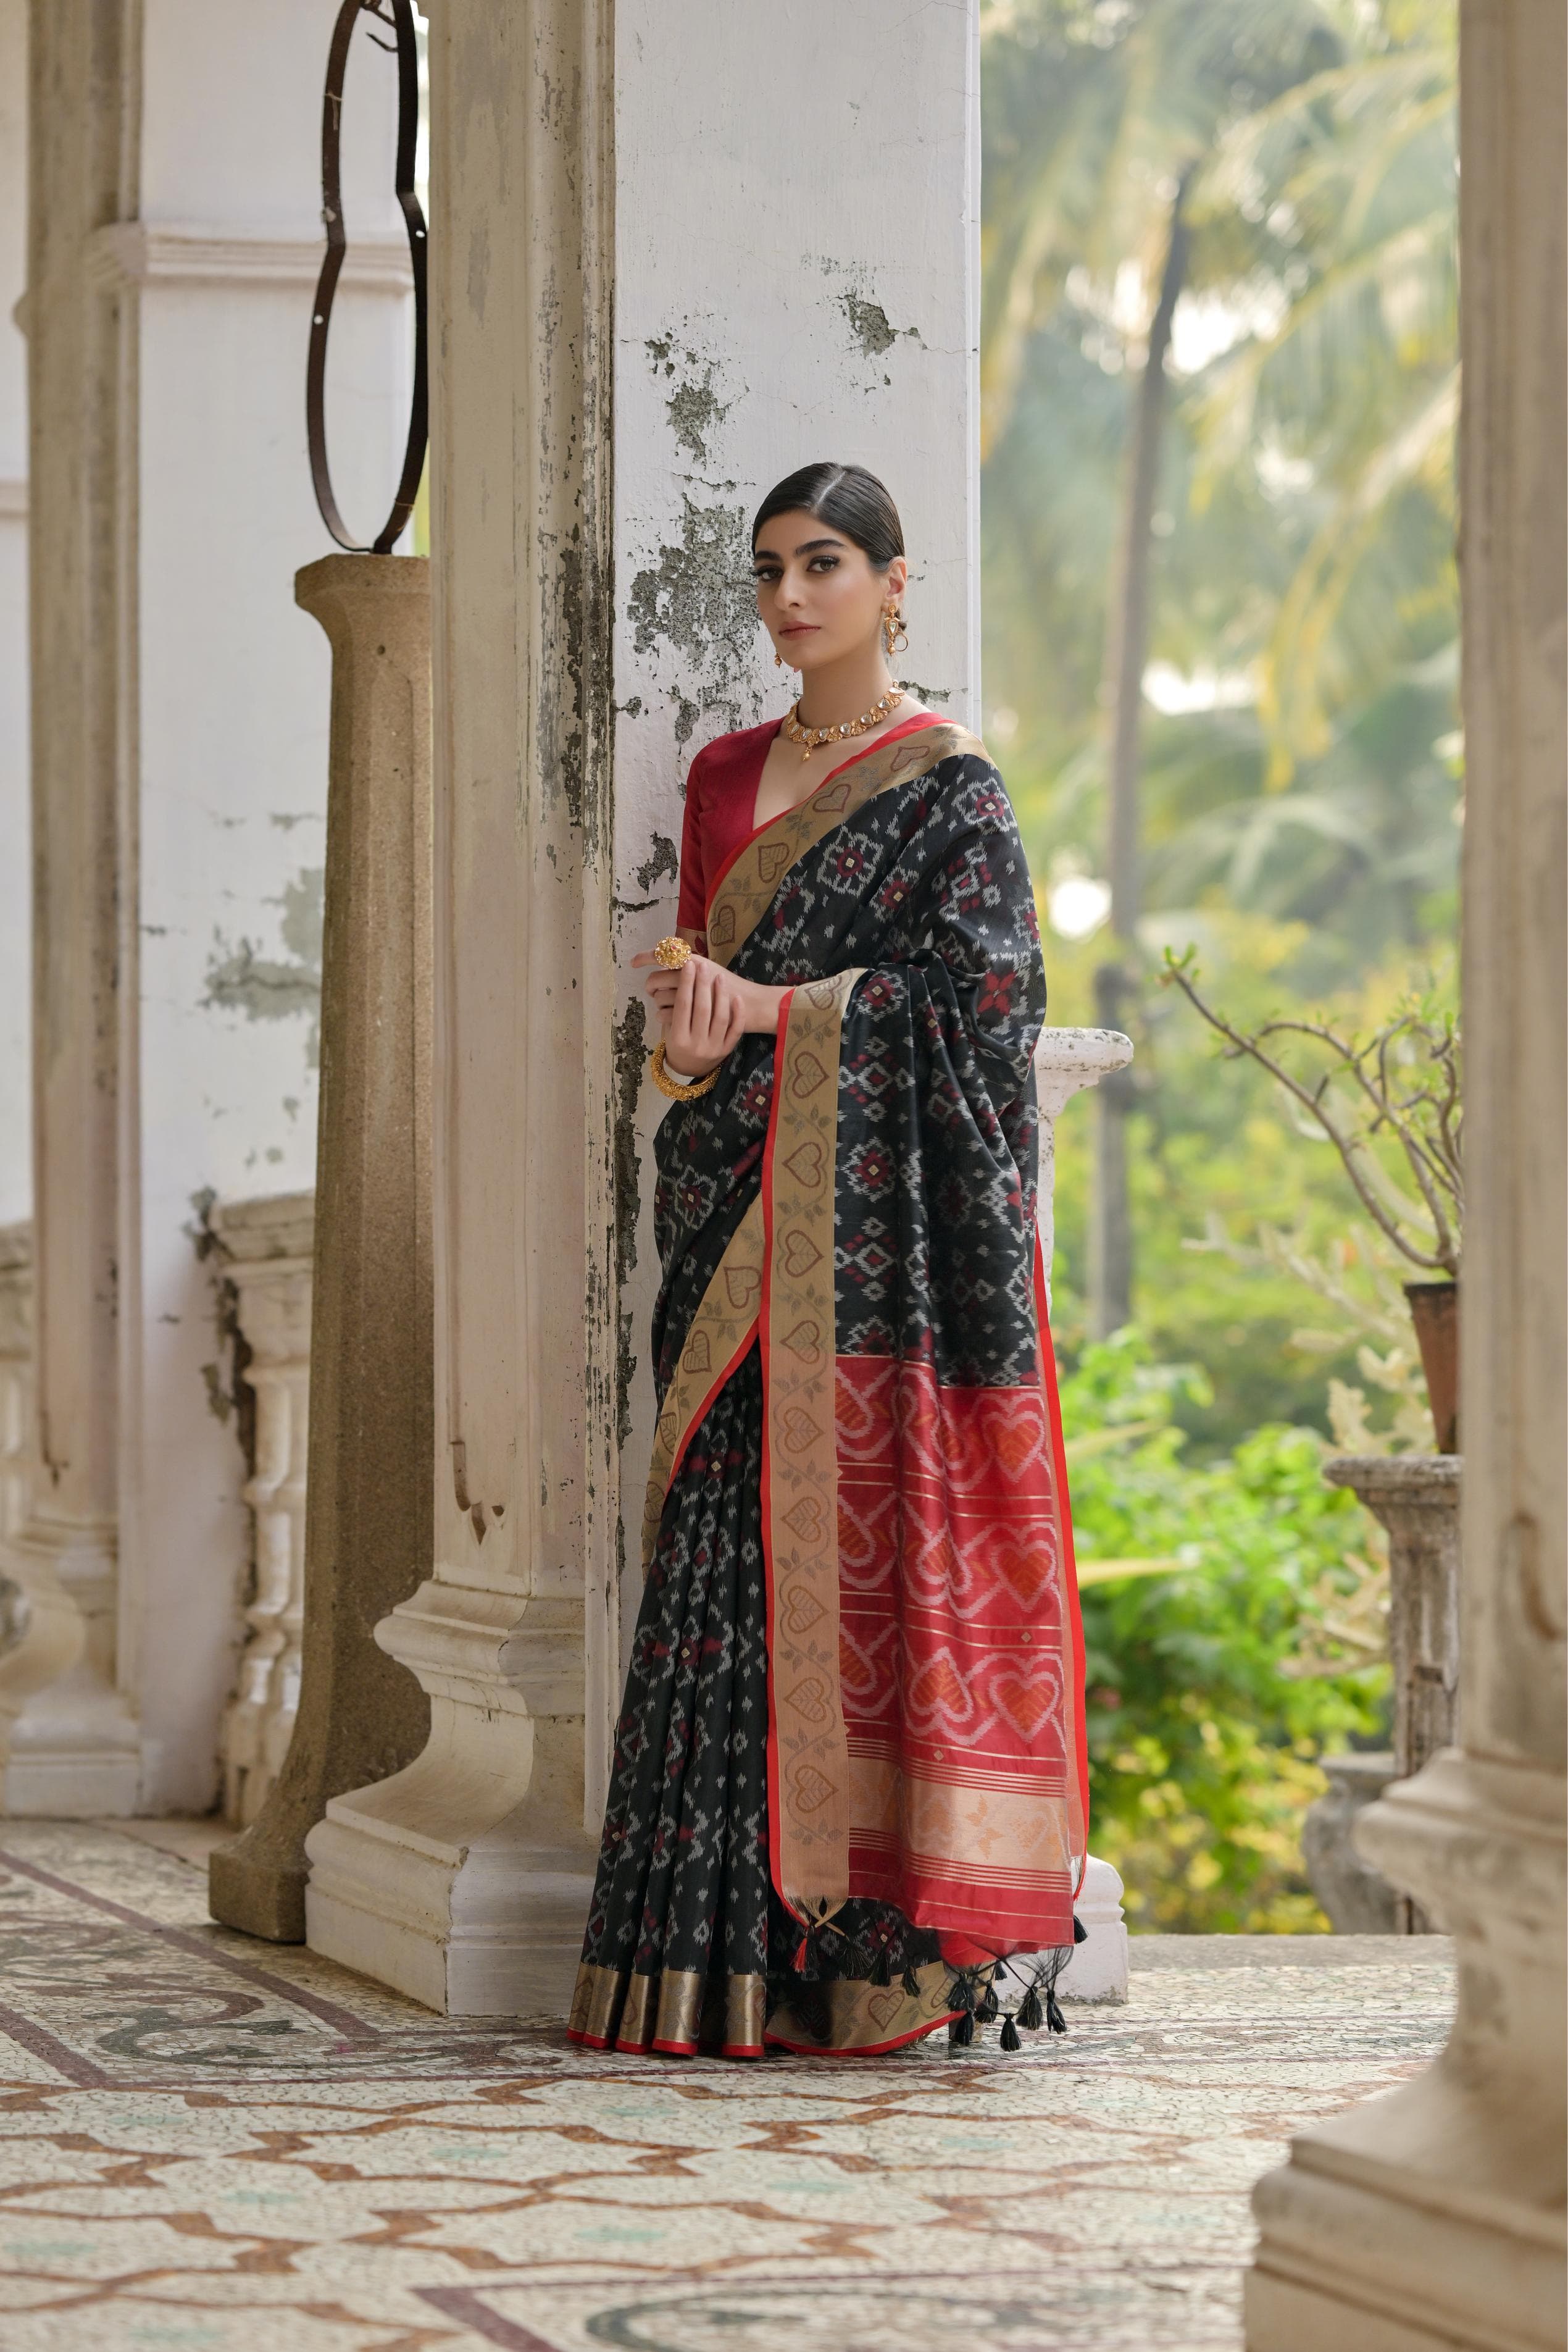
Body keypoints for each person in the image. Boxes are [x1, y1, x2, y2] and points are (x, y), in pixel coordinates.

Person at [568, 462, 1086, 2060]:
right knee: (722, 1555)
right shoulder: (723, 776)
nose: (794, 596)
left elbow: (989, 1013)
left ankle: (861, 1956)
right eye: (772, 569)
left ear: (894, 580)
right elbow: (695, 1039)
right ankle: (695, 1965)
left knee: (857, 1546)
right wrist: (685, 1040)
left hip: (870, 1270)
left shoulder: (951, 790)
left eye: (827, 563)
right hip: (730, 1206)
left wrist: (783, 1011)